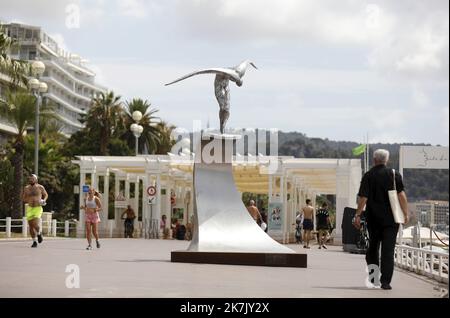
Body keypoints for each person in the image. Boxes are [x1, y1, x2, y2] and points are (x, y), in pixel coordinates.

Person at [353, 149, 409, 290]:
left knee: (373, 248)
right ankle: (386, 282)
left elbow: (363, 198)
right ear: (386, 160)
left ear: (374, 160)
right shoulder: (394, 174)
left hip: (374, 219)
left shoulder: (368, 175)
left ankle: (374, 278)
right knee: (388, 251)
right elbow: (401, 195)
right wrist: (406, 213)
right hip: (392, 219)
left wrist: (357, 215)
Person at [23, 174, 48, 248]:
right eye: (30, 179)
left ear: (36, 180)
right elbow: (23, 198)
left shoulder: (40, 187)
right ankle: (34, 241)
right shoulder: (26, 188)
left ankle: (39, 233)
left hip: (38, 208)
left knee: (35, 223)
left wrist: (43, 200)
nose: (31, 180)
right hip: (30, 208)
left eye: (32, 179)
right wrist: (28, 200)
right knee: (30, 226)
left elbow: (46, 195)